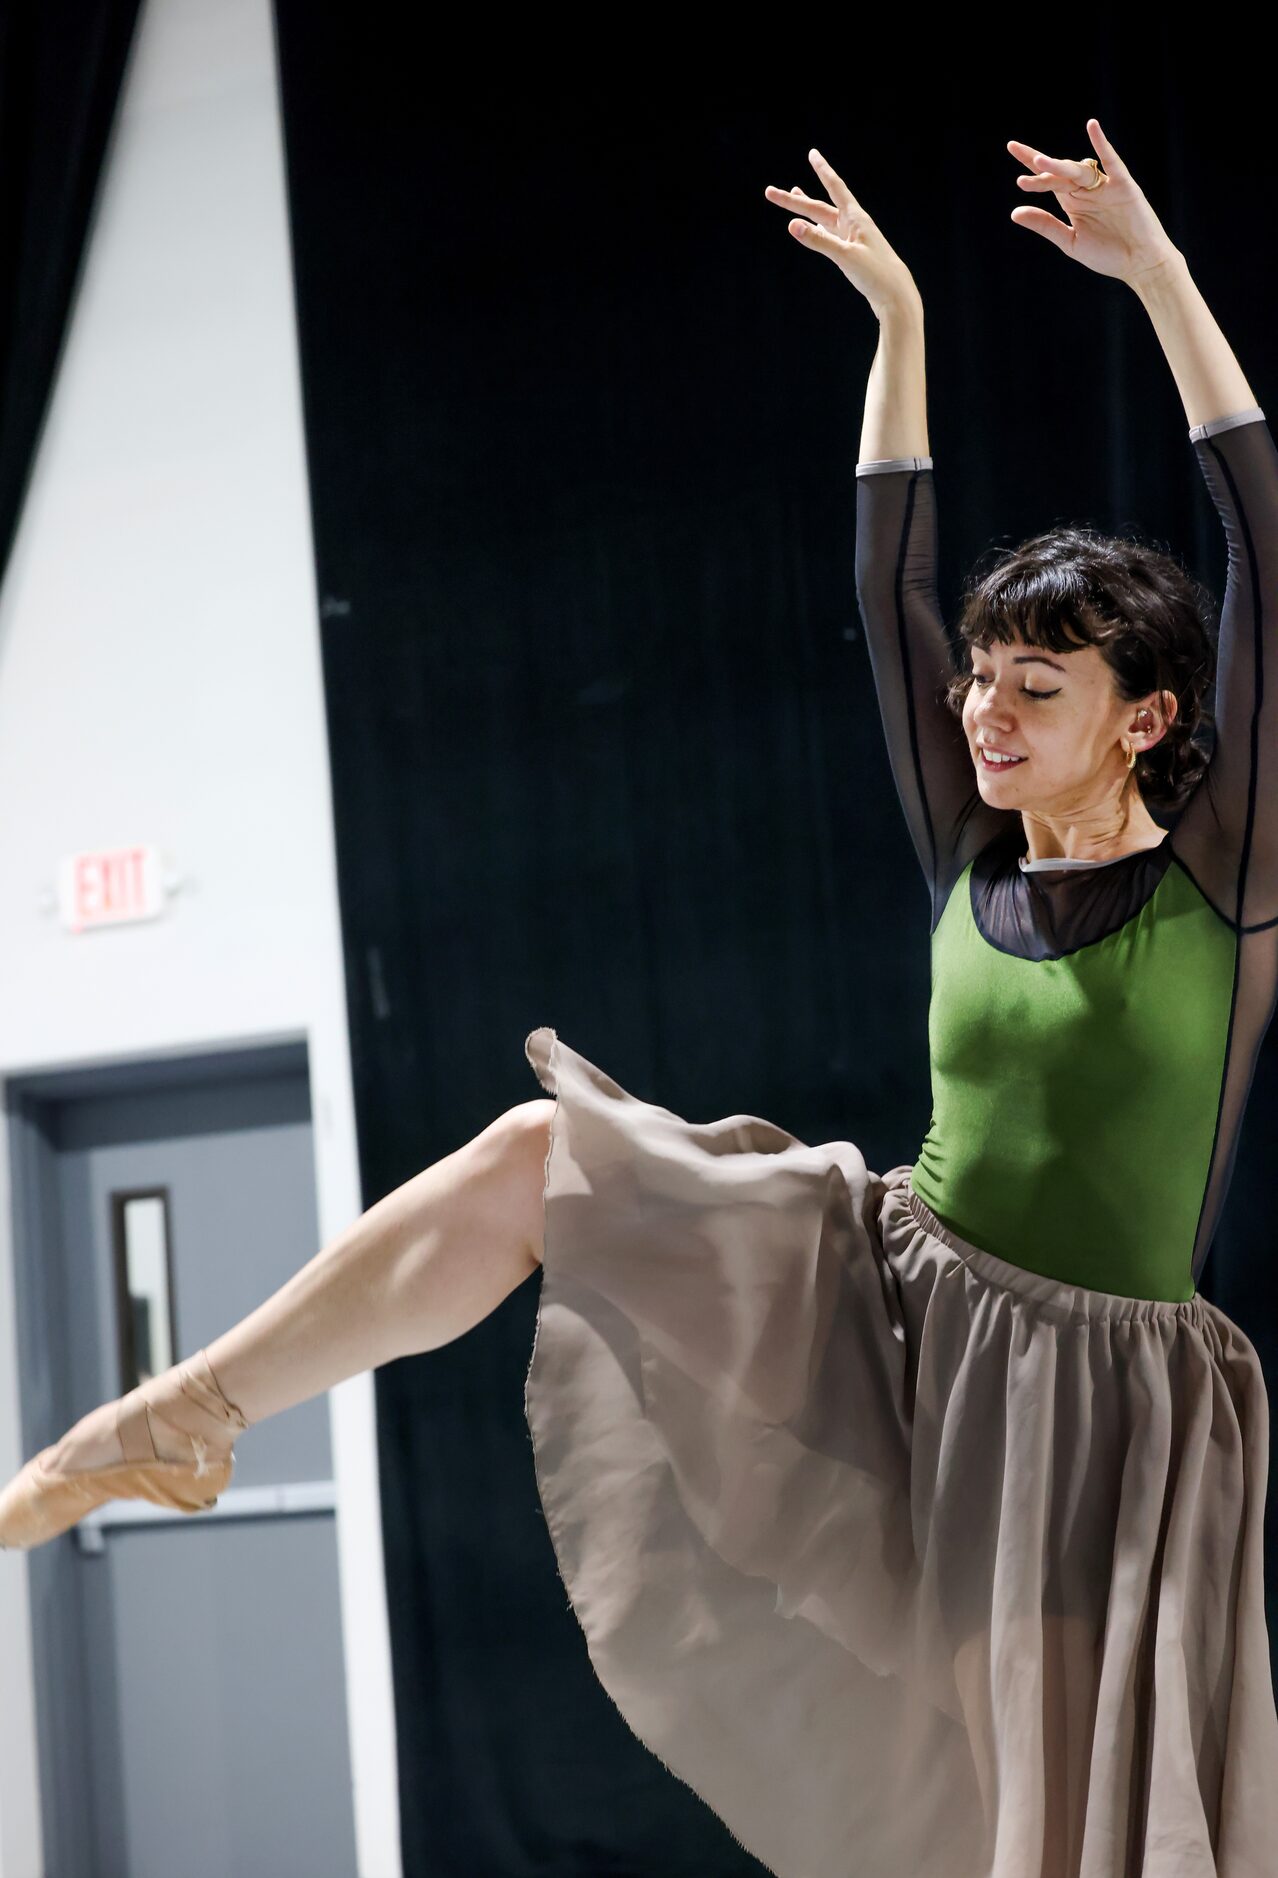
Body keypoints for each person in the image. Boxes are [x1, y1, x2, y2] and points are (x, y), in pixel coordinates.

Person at [2, 117, 1276, 1877]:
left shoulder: (1221, 879)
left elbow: (1261, 545)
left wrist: (1159, 278)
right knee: (544, 1155)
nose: (984, 713)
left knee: (1054, 1828)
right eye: (977, 681)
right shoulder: (970, 857)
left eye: (1033, 686)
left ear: (1143, 715)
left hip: (1095, 1406)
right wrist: (898, 324)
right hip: (894, 1302)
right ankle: (170, 1419)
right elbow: (880, 573)